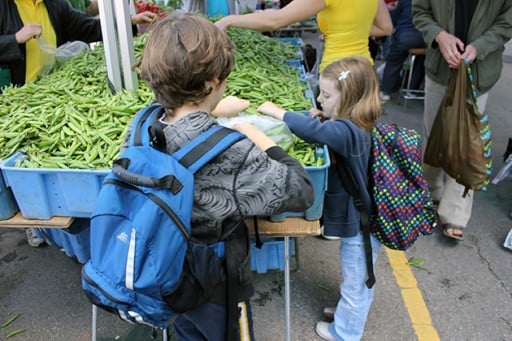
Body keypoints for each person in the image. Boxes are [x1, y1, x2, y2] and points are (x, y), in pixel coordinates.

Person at [133, 12, 314, 339]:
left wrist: (209, 109)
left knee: (186, 330)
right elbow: (300, 190)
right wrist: (264, 142)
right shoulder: (232, 150)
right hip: (212, 280)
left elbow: (183, 129)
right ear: (211, 83)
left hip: (163, 264)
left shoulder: (141, 127)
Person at [257, 56, 383, 340]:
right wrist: (326, 114)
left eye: (326, 95)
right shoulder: (356, 123)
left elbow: (315, 132)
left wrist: (280, 113)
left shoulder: (347, 131)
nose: (319, 98)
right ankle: (346, 311)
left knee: (358, 280)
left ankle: (346, 332)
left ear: (348, 98)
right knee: (356, 276)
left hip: (361, 223)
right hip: (361, 217)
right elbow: (325, 128)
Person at [412, 0, 512, 241]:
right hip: (440, 67)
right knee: (433, 134)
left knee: (466, 142)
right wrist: (440, 36)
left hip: (478, 72)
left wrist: (478, 47)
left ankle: (455, 212)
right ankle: (431, 193)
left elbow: (506, 23)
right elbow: (419, 13)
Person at [0, 0, 157, 88]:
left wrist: (128, 21)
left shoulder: (54, 4)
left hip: (51, 88)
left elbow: (87, 27)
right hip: (15, 94)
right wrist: (15, 39)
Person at [215, 0, 393, 72]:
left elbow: (277, 20)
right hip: (364, 67)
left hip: (338, 71)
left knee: (338, 137)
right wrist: (344, 31)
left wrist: (229, 20)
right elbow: (385, 28)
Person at [379, 0, 426, 102]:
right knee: (421, 61)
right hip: (425, 38)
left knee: (393, 62)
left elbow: (394, 19)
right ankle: (412, 89)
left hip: (405, 36)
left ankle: (386, 91)